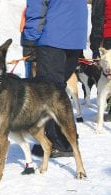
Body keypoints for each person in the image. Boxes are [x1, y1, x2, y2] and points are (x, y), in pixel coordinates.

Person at [21, 0, 88, 157]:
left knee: (50, 93)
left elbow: (37, 7)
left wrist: (30, 39)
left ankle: (60, 143)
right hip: (75, 39)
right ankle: (67, 139)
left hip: (53, 39)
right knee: (58, 91)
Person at [90, 0, 111, 121]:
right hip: (108, 37)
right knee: (106, 75)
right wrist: (95, 46)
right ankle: (104, 106)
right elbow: (96, 18)